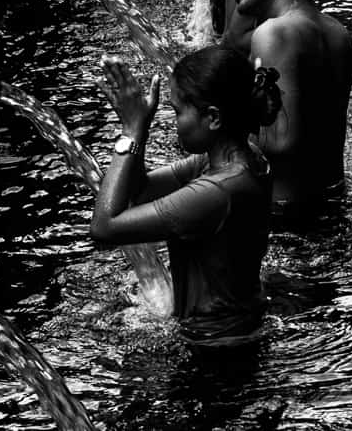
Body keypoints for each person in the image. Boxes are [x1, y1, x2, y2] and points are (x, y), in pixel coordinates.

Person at [91, 47, 283, 342]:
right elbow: (138, 192)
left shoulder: (218, 190)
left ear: (214, 118)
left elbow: (104, 227)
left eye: (178, 111)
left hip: (214, 350)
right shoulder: (235, 161)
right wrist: (140, 127)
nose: (173, 121)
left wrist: (129, 131)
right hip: (231, 332)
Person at [224, 0, 352, 214]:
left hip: (285, 217)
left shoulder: (273, 33)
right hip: (333, 204)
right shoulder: (337, 32)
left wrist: (219, 124)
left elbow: (278, 142)